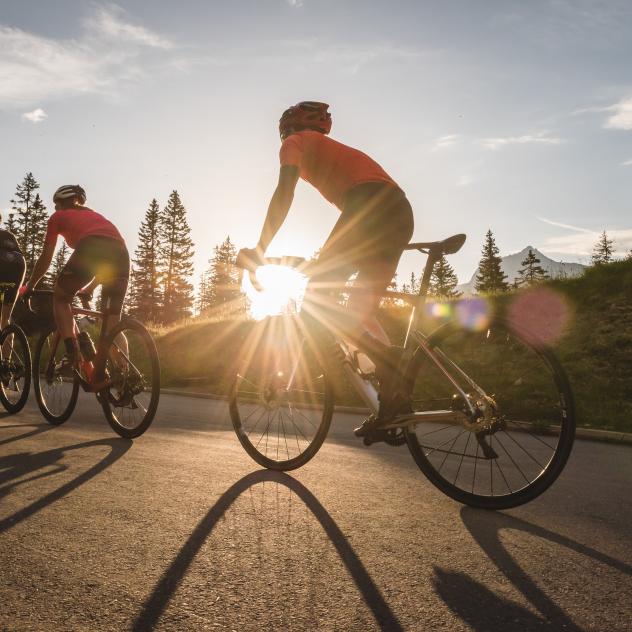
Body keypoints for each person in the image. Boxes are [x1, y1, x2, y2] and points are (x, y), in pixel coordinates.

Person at [237, 101, 414, 429]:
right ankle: (393, 406)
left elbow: (283, 192)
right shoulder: (332, 150)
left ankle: (392, 363)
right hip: (399, 212)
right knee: (359, 314)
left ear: (286, 131)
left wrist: (260, 249)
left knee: (318, 300)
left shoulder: (295, 143)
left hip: (368, 206)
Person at [23, 185, 130, 375]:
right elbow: (106, 262)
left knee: (61, 297)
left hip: (91, 248)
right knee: (112, 324)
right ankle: (126, 379)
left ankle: (73, 353)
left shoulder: (58, 217)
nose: (55, 210)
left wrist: (30, 286)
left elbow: (46, 258)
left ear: (61, 203)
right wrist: (91, 287)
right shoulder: (96, 217)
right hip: (121, 253)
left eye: (56, 205)